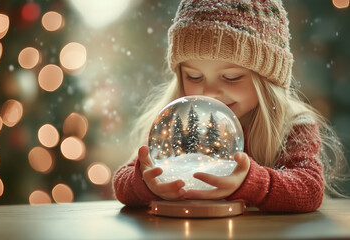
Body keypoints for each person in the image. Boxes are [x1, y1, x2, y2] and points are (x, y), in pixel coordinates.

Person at [113, 0, 348, 212]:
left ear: (267, 80)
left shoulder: (293, 127)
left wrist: (252, 183)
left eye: (232, 77)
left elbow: (309, 188)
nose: (210, 92)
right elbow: (122, 181)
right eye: (194, 77)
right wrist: (147, 182)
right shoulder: (174, 125)